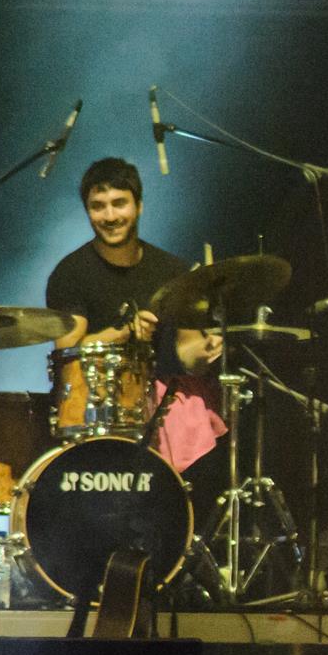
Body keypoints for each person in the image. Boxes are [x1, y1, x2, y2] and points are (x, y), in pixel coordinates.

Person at [43, 157, 226, 481]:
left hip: (163, 406)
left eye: (119, 203)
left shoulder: (172, 270)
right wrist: (124, 332)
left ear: (139, 206)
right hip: (95, 413)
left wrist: (205, 350)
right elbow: (68, 353)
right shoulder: (70, 273)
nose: (110, 216)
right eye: (98, 206)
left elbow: (188, 352)